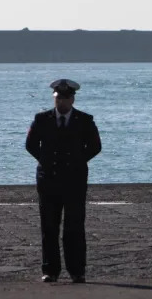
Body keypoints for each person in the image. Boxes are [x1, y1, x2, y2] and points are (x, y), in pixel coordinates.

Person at [25, 78, 102, 283]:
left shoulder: (84, 120)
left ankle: (77, 270)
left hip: (74, 180)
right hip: (48, 179)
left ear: (73, 99)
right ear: (54, 97)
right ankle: (50, 270)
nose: (62, 102)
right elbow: (31, 144)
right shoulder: (42, 119)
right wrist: (46, 161)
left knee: (74, 226)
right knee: (49, 226)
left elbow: (95, 147)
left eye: (66, 98)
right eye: (58, 97)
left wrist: (76, 161)